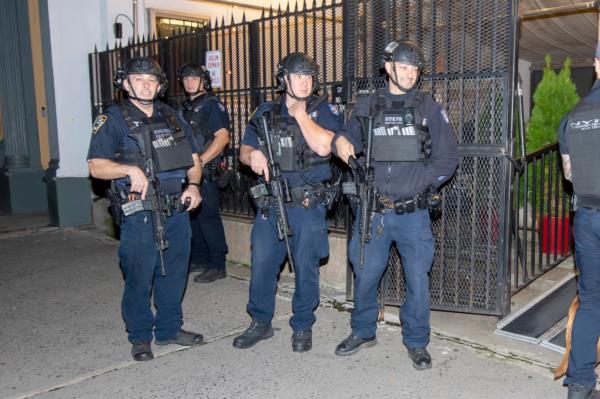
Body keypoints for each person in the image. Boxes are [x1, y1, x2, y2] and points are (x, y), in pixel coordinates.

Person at [332, 40, 459, 369]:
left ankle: (417, 341)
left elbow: (448, 158)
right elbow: (346, 138)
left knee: (417, 277)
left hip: (412, 212)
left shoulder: (428, 106)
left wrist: (422, 182)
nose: (411, 74)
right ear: (388, 68)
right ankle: (363, 331)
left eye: (415, 69)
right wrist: (343, 148)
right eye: (404, 67)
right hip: (373, 209)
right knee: (366, 272)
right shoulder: (367, 104)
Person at [87, 57, 205, 361]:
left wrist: (193, 185)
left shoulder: (172, 116)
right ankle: (140, 336)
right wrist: (128, 170)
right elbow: (96, 166)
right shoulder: (112, 119)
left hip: (176, 208)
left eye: (151, 80)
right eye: (138, 79)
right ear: (125, 83)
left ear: (160, 85)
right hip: (138, 211)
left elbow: (193, 158)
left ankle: (169, 329)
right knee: (139, 275)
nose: (146, 85)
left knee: (174, 273)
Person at [232, 52, 342, 352]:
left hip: (307, 204)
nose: (305, 82)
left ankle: (303, 324)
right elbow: (244, 149)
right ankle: (260, 321)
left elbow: (324, 145)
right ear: (284, 79)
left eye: (309, 76)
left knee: (306, 267)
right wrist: (251, 154)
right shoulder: (265, 112)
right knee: (263, 264)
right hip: (271, 202)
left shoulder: (324, 109)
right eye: (298, 76)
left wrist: (300, 113)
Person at [557, 43, 600, 399]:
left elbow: (569, 175)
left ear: (597, 65)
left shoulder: (572, 117)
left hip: (586, 217)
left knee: (590, 299)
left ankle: (581, 383)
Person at [179, 62, 231, 283]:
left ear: (204, 81)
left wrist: (199, 162)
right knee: (193, 217)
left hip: (206, 171)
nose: (190, 81)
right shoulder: (184, 108)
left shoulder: (211, 104)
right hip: (188, 173)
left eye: (195, 78)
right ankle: (199, 259)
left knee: (208, 217)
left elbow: (222, 137)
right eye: (186, 78)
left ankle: (217, 264)